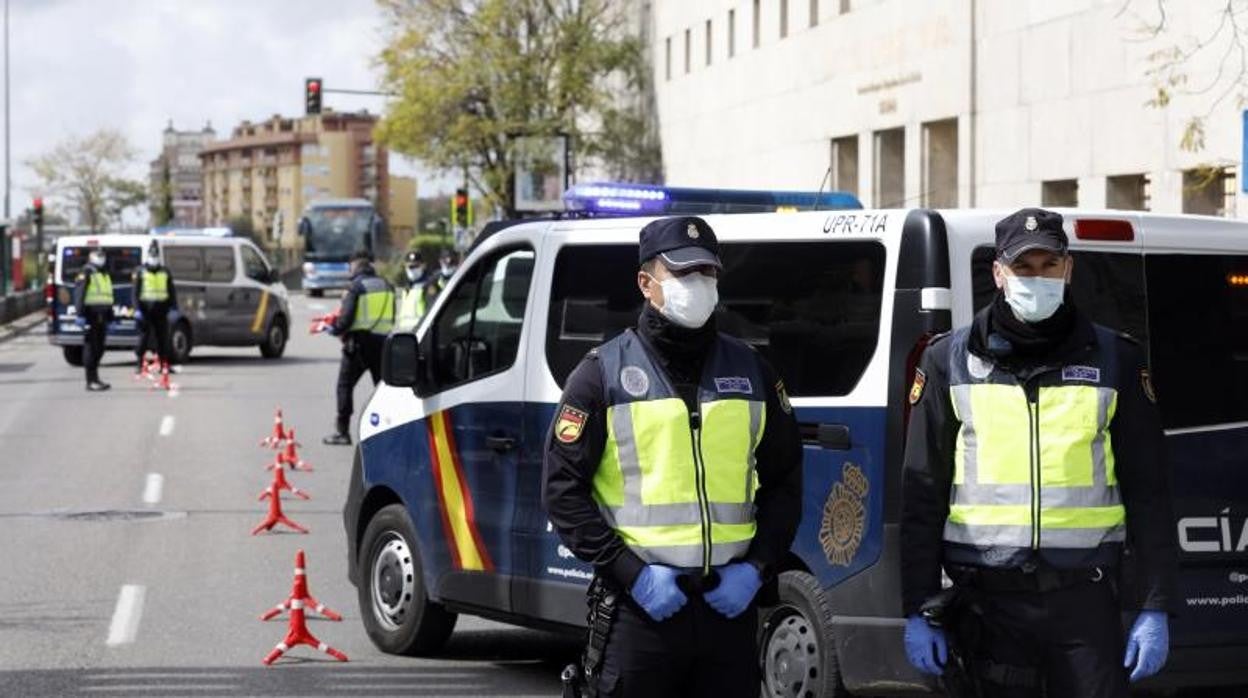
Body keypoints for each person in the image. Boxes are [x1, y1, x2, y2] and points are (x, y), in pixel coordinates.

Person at [901, 208, 1178, 697]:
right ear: (998, 273)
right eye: (1023, 267)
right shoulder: (948, 361)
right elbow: (922, 492)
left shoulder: (1116, 359)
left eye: (1049, 265)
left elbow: (1149, 492)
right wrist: (918, 607)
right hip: (987, 605)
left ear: (1068, 269)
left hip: (1085, 602)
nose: (1037, 278)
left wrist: (1155, 604)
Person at [542, 216, 803, 697]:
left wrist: (757, 567)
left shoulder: (753, 371)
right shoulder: (601, 375)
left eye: (708, 272)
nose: (698, 284)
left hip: (728, 611)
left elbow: (785, 481)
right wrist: (631, 574)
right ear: (647, 283)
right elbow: (562, 493)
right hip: (641, 613)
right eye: (683, 272)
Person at [323, 250, 396, 446]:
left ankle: (343, 432)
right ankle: (389, 431)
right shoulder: (387, 285)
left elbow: (345, 320)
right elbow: (392, 316)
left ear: (355, 266)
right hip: (382, 344)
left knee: (345, 386)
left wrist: (332, 329)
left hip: (358, 346)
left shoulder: (356, 287)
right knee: (382, 390)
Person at [131, 241, 178, 383]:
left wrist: (174, 307)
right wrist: (137, 309)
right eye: (152, 255)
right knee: (144, 338)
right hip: (145, 310)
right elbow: (135, 293)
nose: (154, 257)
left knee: (163, 338)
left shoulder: (165, 271)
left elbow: (171, 290)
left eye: (156, 255)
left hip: (161, 310)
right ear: (148, 256)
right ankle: (139, 364)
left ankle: (164, 365)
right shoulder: (140, 271)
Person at [73, 249, 115, 392]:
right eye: (98, 256)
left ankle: (96, 379)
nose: (101, 258)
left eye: (103, 256)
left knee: (100, 348)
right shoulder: (86, 272)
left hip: (102, 316)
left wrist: (111, 317)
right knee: (91, 348)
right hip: (90, 315)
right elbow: (79, 294)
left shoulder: (104, 274)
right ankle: (90, 381)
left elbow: (108, 297)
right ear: (91, 258)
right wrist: (80, 314)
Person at [396, 249, 435, 329]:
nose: (411, 269)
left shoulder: (428, 286)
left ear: (423, 266)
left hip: (420, 332)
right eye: (409, 266)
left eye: (415, 266)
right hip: (404, 331)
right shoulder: (405, 288)